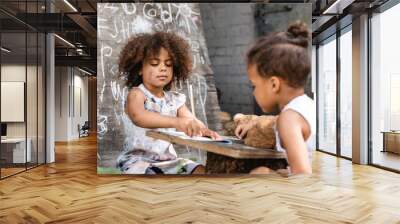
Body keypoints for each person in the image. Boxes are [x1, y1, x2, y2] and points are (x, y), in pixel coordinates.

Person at [117, 31, 219, 174]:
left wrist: (202, 129)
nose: (163, 68)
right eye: (154, 63)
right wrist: (177, 122)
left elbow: (190, 120)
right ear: (140, 69)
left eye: (168, 64)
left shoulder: (175, 100)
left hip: (168, 160)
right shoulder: (137, 95)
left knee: (200, 170)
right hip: (138, 162)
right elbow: (139, 117)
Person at [235, 21, 315, 175]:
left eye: (254, 85)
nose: (254, 92)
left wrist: (270, 174)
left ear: (274, 84)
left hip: (310, 193)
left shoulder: (289, 118)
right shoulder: (305, 107)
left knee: (259, 173)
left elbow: (303, 176)